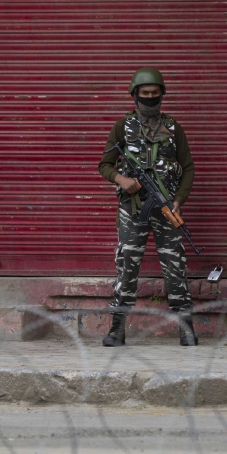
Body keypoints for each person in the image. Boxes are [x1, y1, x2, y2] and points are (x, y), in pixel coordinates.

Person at [97, 68, 197, 347]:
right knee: (127, 267)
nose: (150, 99)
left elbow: (187, 168)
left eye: (155, 95)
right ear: (135, 95)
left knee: (175, 269)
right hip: (132, 209)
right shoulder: (121, 128)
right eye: (145, 95)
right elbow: (104, 165)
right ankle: (117, 328)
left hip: (166, 210)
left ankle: (186, 328)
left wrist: (178, 201)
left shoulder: (174, 128)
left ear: (162, 95)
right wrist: (121, 179)